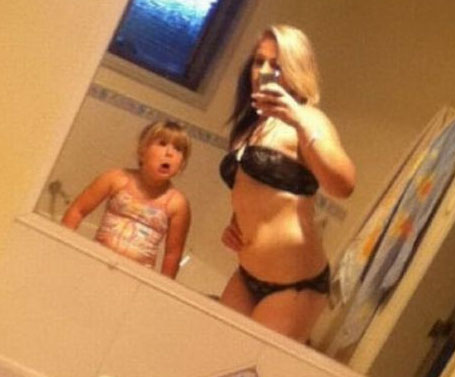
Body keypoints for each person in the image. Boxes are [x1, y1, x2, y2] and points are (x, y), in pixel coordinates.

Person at [219, 24, 356, 343]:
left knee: (244, 370)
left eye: (277, 66)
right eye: (259, 62)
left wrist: (299, 121)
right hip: (246, 274)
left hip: (295, 286)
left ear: (297, 70)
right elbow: (254, 190)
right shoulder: (253, 123)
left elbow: (344, 186)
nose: (263, 72)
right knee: (214, 353)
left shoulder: (310, 119)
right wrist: (236, 223)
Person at [62, 120, 192, 279]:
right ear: (142, 150)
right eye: (162, 144)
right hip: (96, 260)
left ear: (182, 164)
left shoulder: (177, 203)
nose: (169, 153)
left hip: (136, 277)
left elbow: (172, 254)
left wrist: (160, 287)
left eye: (178, 149)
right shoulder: (116, 178)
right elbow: (77, 210)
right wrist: (61, 248)